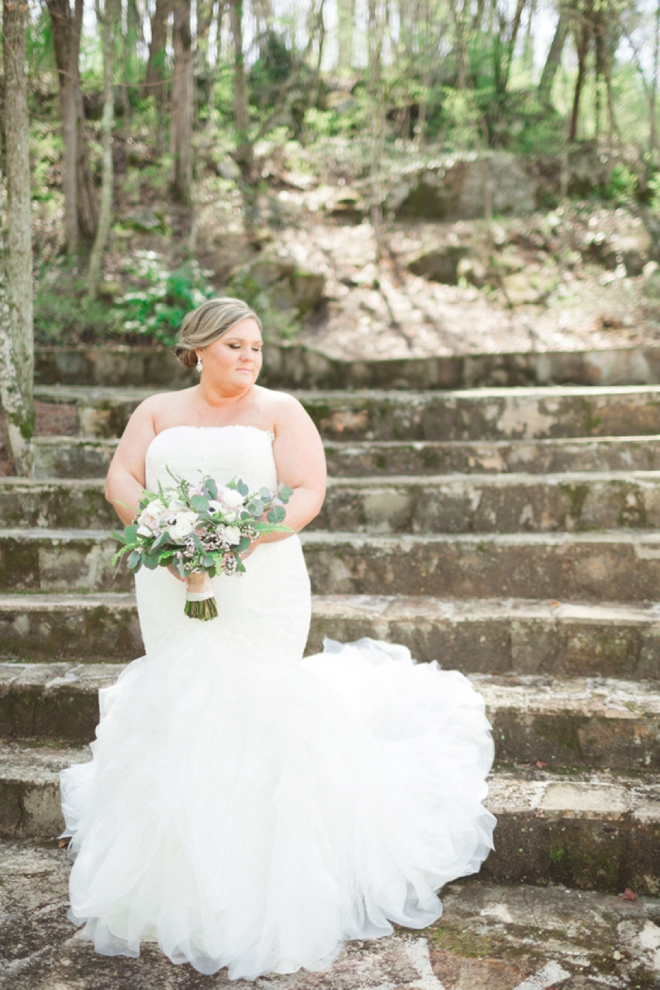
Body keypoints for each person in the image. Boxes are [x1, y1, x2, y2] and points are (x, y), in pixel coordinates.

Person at [60, 297, 496, 981]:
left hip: (258, 579)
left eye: (255, 346)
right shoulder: (154, 411)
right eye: (233, 345)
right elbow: (121, 476)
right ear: (197, 348)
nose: (248, 356)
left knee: (252, 701)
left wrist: (234, 537)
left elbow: (306, 491)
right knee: (185, 701)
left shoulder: (279, 410)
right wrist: (164, 530)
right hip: (170, 577)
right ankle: (185, 877)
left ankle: (263, 876)